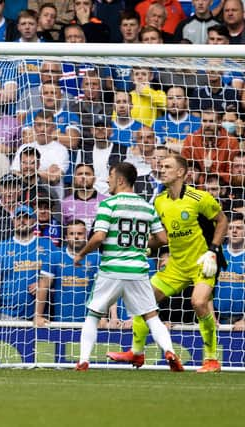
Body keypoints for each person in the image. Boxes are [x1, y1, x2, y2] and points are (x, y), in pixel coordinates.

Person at [107, 154, 228, 373]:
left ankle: (211, 359)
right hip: (176, 265)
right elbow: (162, 237)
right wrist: (144, 245)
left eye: (167, 167)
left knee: (199, 303)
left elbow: (222, 221)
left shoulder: (199, 198)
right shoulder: (160, 201)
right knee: (143, 298)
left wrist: (213, 250)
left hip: (203, 262)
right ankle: (136, 353)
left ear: (181, 172)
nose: (162, 170)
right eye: (160, 166)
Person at [73, 162, 183, 372]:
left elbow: (99, 237)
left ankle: (84, 360)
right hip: (138, 270)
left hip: (111, 269)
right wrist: (140, 245)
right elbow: (162, 238)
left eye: (111, 176)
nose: (107, 180)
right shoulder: (147, 206)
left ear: (120, 180)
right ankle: (169, 351)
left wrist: (81, 253)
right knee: (151, 316)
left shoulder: (108, 204)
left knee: (93, 315)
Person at [0, 204, 54, 323]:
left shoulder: (48, 245)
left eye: (26, 217)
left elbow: (56, 273)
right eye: (18, 218)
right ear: (13, 221)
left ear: (34, 220)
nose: (22, 221)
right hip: (8, 314)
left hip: (40, 316)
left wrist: (43, 284)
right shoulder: (1, 247)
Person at [49, 219, 99, 322]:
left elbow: (103, 290)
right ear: (66, 237)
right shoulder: (55, 256)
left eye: (80, 234)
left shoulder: (97, 257)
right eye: (72, 234)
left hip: (90, 321)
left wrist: (103, 318)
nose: (76, 237)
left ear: (86, 235)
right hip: (61, 321)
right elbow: (44, 285)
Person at [215, 214, 245, 330]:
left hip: (242, 321)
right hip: (218, 320)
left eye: (239, 228)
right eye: (230, 228)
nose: (234, 231)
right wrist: (210, 316)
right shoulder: (217, 254)